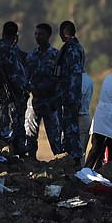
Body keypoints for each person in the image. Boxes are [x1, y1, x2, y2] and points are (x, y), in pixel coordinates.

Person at [0, 21, 29, 156]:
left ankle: (7, 149)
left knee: (2, 121)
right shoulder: (12, 51)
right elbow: (16, 77)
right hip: (9, 93)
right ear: (15, 36)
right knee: (9, 122)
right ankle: (8, 151)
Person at [25, 23, 63, 159]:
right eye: (36, 34)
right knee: (30, 135)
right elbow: (25, 78)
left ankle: (62, 164)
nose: (37, 37)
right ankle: (30, 162)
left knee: (55, 138)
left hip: (50, 101)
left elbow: (61, 80)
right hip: (34, 100)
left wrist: (56, 100)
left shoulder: (56, 56)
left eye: (41, 34)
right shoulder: (31, 56)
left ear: (48, 36)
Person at [56, 21, 85, 165]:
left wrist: (73, 99)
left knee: (71, 129)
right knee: (67, 128)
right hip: (67, 94)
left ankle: (75, 159)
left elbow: (74, 75)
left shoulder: (72, 49)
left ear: (63, 32)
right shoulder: (72, 47)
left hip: (70, 96)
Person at [79, 72, 93, 154]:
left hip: (78, 118)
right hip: (85, 117)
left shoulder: (76, 79)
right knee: (81, 153)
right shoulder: (88, 79)